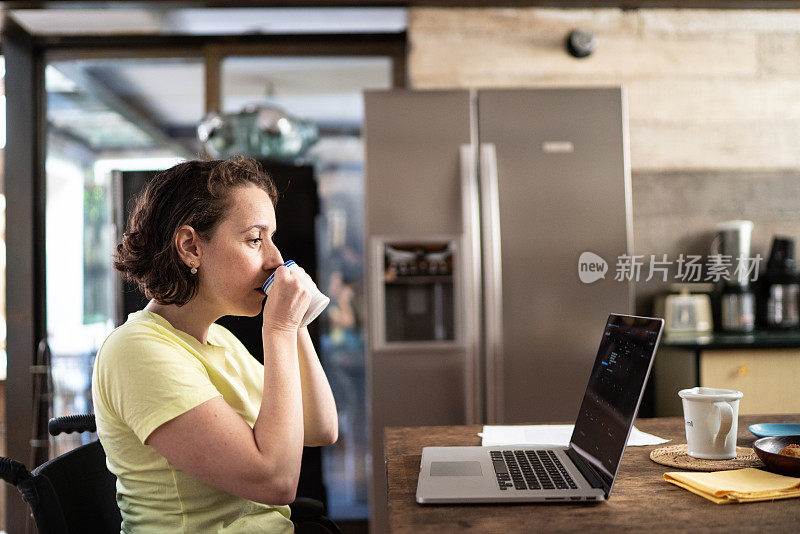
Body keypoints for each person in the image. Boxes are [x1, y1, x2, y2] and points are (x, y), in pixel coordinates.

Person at [91, 156, 338, 533]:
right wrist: (280, 329)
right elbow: (277, 482)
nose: (276, 260)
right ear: (191, 246)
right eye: (255, 239)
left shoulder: (217, 338)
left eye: (272, 239)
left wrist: (296, 319)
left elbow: (320, 427)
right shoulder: (137, 351)